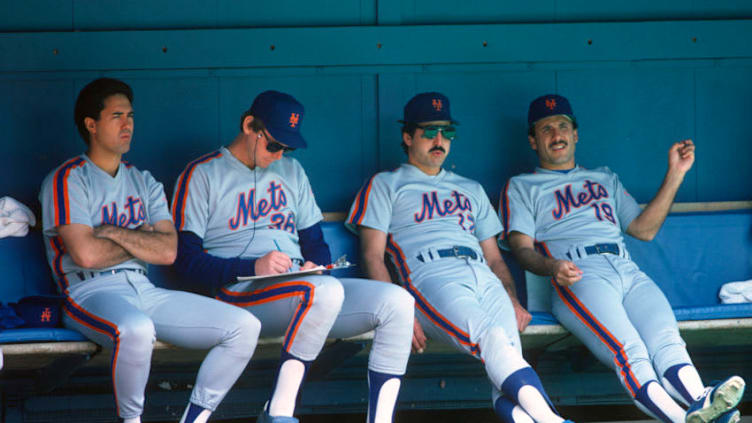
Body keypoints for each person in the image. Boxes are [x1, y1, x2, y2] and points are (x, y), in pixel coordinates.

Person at [170, 90, 414, 423]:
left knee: (397, 302)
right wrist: (252, 266)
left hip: (302, 292)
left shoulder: (292, 172)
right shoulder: (202, 174)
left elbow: (315, 243)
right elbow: (185, 261)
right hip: (240, 292)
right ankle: (280, 412)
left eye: (287, 147)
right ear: (248, 126)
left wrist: (316, 265)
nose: (279, 155)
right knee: (323, 291)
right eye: (273, 145)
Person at [502, 94, 745, 423]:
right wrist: (552, 267)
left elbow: (644, 230)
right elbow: (521, 249)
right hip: (578, 273)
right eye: (546, 129)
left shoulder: (604, 178)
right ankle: (680, 419)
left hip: (626, 268)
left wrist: (676, 173)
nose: (556, 135)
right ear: (533, 140)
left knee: (668, 341)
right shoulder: (522, 186)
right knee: (630, 351)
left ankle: (700, 401)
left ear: (576, 134)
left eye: (562, 126)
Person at [39, 78, 260, 423]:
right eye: (116, 116)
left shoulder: (144, 181)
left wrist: (112, 232)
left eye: (130, 115)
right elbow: (86, 255)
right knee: (136, 330)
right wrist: (140, 240)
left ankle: (195, 418)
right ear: (91, 125)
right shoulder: (67, 178)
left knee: (243, 326)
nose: (127, 124)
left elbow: (170, 250)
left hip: (144, 289)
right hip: (88, 290)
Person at [346, 92, 573, 423]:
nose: (439, 140)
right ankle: (553, 420)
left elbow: (495, 259)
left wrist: (510, 297)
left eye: (447, 132)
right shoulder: (385, 184)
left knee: (505, 363)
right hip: (430, 275)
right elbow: (372, 256)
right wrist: (397, 312)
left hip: (482, 275)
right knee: (493, 339)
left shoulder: (470, 188)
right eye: (429, 131)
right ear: (408, 137)